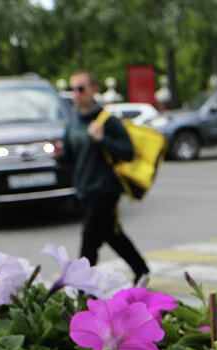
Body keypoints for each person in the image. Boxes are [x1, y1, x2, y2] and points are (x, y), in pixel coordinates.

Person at [54, 70, 149, 281]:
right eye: (73, 89)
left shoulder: (107, 120)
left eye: (81, 88)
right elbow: (71, 159)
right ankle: (141, 270)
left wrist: (102, 139)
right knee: (111, 234)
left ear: (94, 89)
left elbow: (127, 152)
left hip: (105, 190)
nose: (76, 93)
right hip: (83, 189)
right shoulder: (72, 122)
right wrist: (59, 155)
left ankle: (81, 283)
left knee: (89, 238)